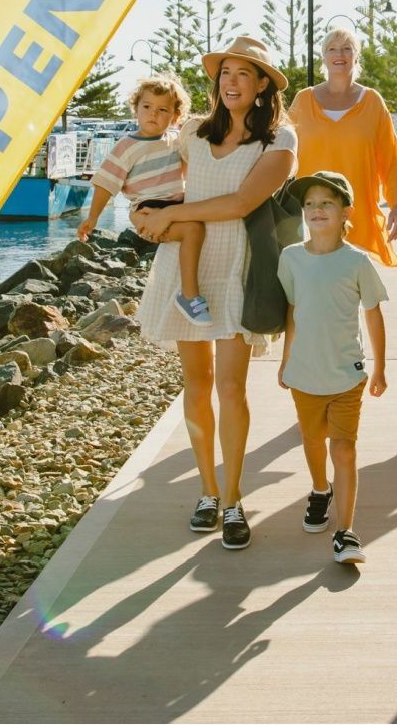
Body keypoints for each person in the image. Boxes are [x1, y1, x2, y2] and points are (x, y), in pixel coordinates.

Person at [131, 37, 296, 551]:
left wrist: (174, 215)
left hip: (238, 269)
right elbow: (153, 178)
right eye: (225, 72)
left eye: (243, 73)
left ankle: (233, 499)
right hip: (189, 267)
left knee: (230, 387)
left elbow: (242, 202)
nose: (231, 82)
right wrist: (143, 215)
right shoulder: (193, 133)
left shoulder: (279, 140)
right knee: (196, 384)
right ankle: (206, 492)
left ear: (262, 83)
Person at [277, 170, 388, 565]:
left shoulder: (357, 262)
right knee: (312, 441)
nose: (317, 209)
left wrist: (380, 367)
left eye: (327, 202)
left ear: (346, 212)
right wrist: (286, 359)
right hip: (305, 373)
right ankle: (320, 489)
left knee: (343, 448)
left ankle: (346, 532)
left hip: (346, 374)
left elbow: (373, 314)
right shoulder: (291, 258)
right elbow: (292, 310)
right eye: (310, 203)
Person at [79, 74, 210, 322]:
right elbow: (106, 184)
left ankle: (191, 287)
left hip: (177, 205)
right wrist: (93, 218)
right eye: (147, 107)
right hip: (147, 209)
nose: (153, 114)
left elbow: (189, 169)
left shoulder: (176, 141)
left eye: (163, 110)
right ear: (136, 110)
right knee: (193, 230)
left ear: (175, 116)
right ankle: (189, 295)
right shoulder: (126, 147)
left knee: (201, 225)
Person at [287, 27, 397, 266]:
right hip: (310, 215)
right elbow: (283, 151)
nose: (339, 54)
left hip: (357, 215)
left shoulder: (372, 102)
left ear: (356, 55)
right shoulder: (303, 100)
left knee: (351, 283)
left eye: (346, 48)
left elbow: (391, 160)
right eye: (332, 49)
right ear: (324, 57)